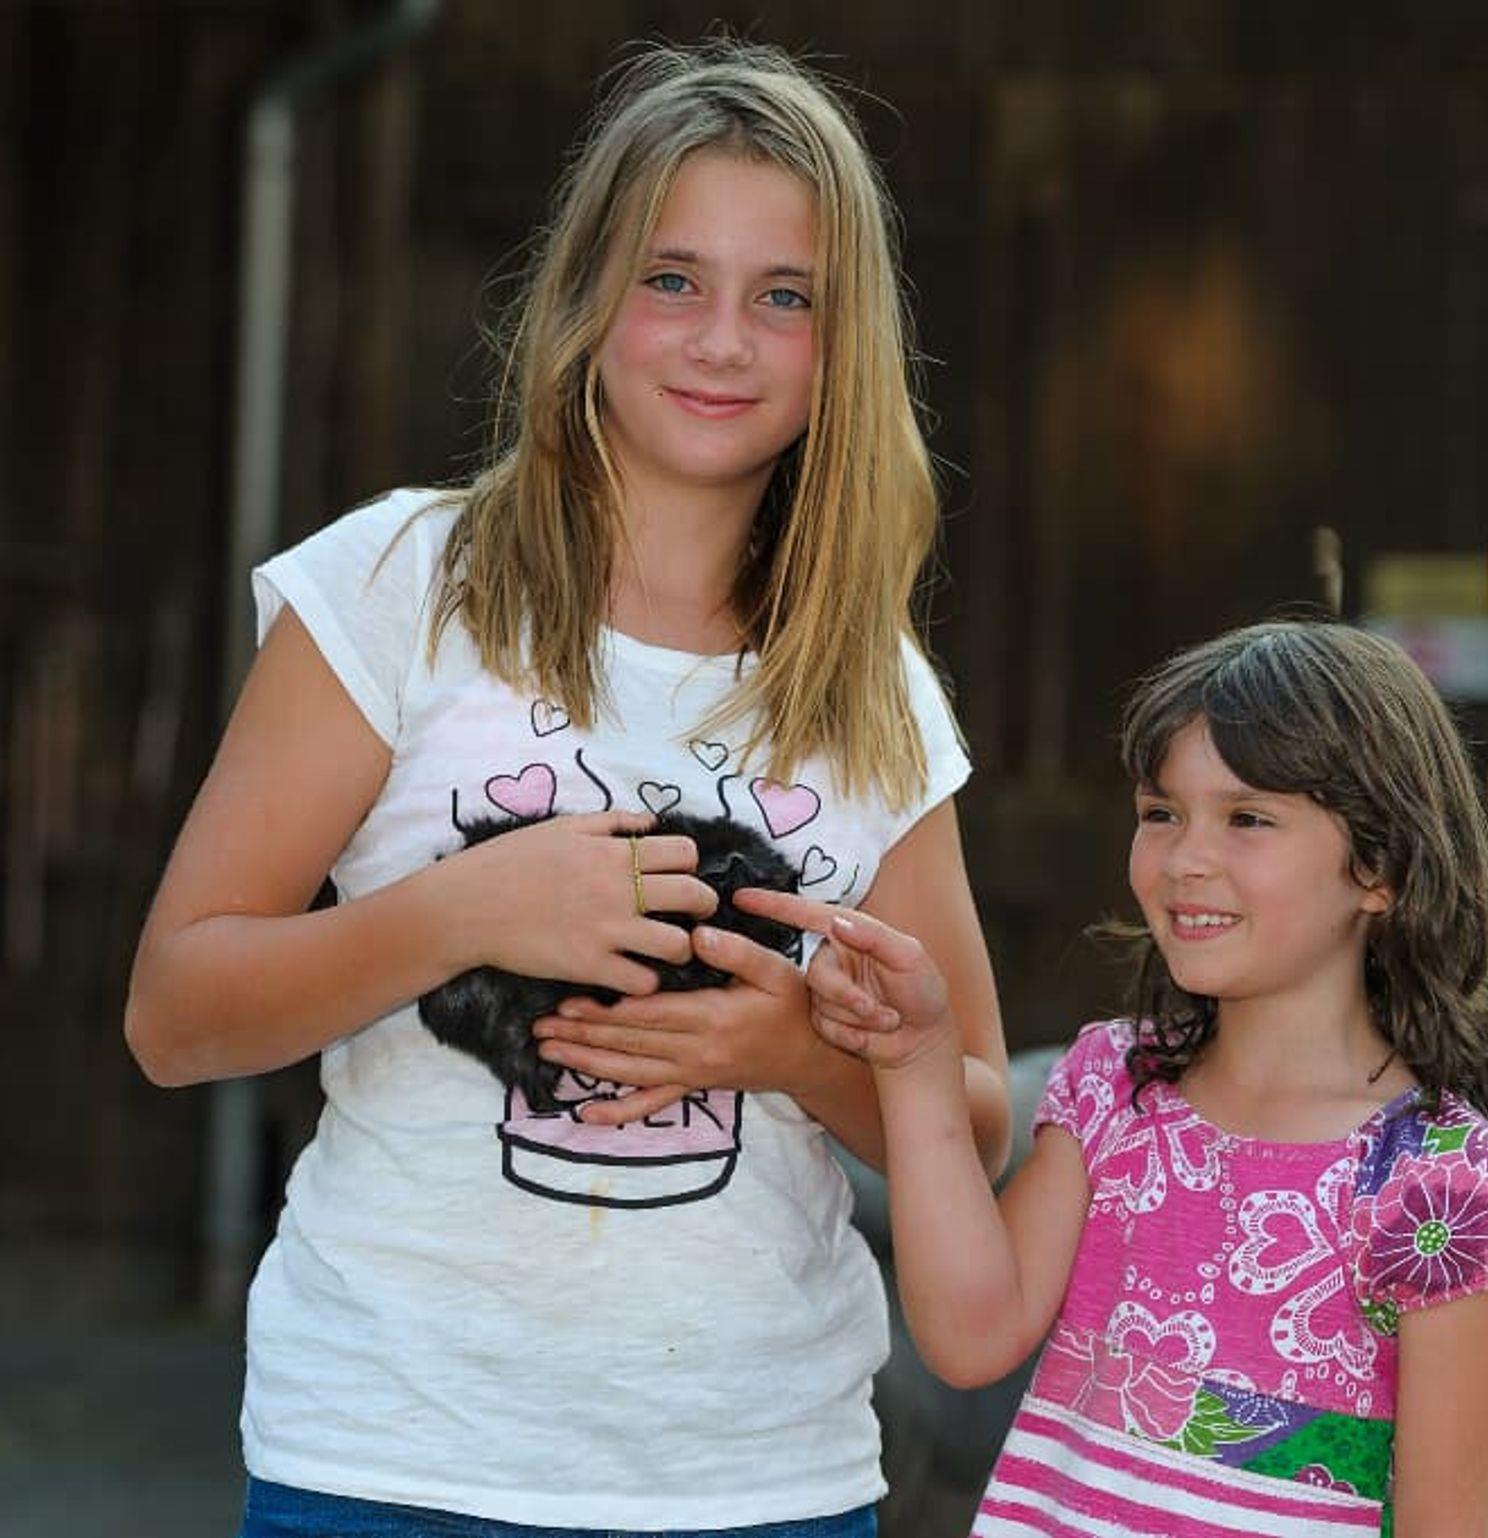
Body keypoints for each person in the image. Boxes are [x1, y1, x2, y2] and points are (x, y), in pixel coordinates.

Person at [124, 40, 1008, 1538]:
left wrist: (797, 1052)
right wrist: (467, 910)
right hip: (394, 1460)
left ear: (842, 344)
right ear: (587, 298)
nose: (721, 340)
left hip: (757, 1478)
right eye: (673, 279)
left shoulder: (872, 689)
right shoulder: (402, 585)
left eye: (783, 297)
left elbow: (974, 1114)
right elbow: (174, 1014)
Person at [746, 620, 1488, 1538]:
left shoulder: (1452, 1194)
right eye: (1161, 813)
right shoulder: (1114, 1087)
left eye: (1248, 819)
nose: (1184, 859)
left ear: (1381, 866)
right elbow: (971, 1338)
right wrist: (916, 1061)